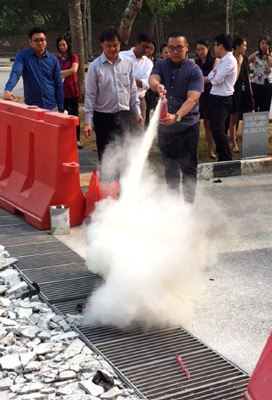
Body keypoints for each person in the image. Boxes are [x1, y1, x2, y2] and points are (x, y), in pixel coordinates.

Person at [149, 31, 203, 203]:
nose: (175, 52)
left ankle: (187, 208)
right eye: (171, 48)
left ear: (187, 48)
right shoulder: (160, 65)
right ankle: (173, 208)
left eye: (179, 48)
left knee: (188, 169)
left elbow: (192, 99)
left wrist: (177, 116)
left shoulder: (194, 71)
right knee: (170, 169)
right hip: (165, 129)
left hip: (186, 127)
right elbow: (152, 79)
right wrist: (157, 86)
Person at [83, 26, 143, 163]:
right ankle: (106, 183)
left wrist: (137, 113)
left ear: (120, 44)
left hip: (122, 115)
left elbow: (132, 90)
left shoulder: (127, 63)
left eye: (115, 45)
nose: (112, 49)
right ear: (101, 45)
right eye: (108, 46)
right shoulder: (95, 67)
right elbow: (90, 96)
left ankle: (119, 183)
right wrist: (87, 122)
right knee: (105, 155)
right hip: (102, 117)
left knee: (121, 154)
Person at [4, 27, 63, 111]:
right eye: (36, 40)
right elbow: (16, 72)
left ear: (46, 41)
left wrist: (61, 107)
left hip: (51, 107)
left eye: (42, 40)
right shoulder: (23, 56)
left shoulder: (53, 60)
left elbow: (58, 85)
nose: (40, 43)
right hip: (32, 107)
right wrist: (8, 89)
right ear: (30, 42)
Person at [207, 34, 237, 162]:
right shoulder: (222, 60)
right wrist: (214, 75)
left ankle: (226, 158)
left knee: (219, 130)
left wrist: (214, 75)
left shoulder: (230, 60)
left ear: (221, 46)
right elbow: (210, 76)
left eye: (215, 45)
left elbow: (216, 80)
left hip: (223, 99)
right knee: (215, 129)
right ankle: (222, 157)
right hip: (215, 98)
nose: (214, 48)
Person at [120, 33, 153, 126]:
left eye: (149, 48)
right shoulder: (122, 56)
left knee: (138, 134)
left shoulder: (148, 63)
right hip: (122, 102)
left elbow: (146, 84)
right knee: (122, 133)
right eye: (144, 47)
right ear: (136, 44)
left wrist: (128, 78)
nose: (146, 50)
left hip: (140, 100)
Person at [229, 37, 255, 153]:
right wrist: (238, 64)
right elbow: (234, 78)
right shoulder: (230, 59)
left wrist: (251, 91)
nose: (245, 48)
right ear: (237, 46)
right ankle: (234, 143)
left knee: (250, 114)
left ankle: (251, 143)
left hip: (245, 91)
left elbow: (248, 76)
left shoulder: (245, 58)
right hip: (235, 91)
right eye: (244, 45)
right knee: (234, 117)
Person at [56, 35, 82, 149]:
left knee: (74, 115)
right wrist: (63, 73)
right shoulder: (56, 59)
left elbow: (74, 70)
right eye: (60, 45)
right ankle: (64, 138)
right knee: (61, 114)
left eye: (64, 44)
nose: (63, 47)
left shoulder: (73, 57)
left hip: (71, 90)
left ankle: (77, 139)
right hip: (61, 91)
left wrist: (60, 73)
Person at [195, 39, 219, 159]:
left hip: (210, 94)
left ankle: (211, 150)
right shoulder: (194, 63)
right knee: (195, 124)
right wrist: (205, 79)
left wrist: (201, 80)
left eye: (202, 49)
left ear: (208, 48)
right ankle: (194, 151)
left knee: (208, 123)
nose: (200, 52)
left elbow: (212, 78)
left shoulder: (215, 61)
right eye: (198, 50)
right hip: (197, 95)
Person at [248, 35, 272, 112]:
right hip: (256, 84)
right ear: (259, 44)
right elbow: (245, 63)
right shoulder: (256, 55)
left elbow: (271, 65)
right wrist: (249, 76)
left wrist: (268, 55)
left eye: (266, 44)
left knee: (265, 107)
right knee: (255, 105)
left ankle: (263, 124)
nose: (264, 46)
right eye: (262, 43)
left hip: (268, 84)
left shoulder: (271, 55)